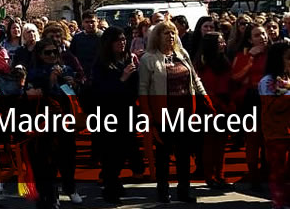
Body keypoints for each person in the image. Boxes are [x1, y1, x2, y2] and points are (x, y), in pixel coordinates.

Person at [138, 21, 210, 203]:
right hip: (163, 115)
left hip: (186, 114)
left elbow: (194, 78)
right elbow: (143, 90)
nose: (170, 36)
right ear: (157, 36)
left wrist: (205, 97)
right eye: (166, 33)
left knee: (184, 155)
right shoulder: (148, 58)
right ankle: (163, 191)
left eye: (173, 33)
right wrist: (149, 117)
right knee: (163, 155)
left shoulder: (182, 53)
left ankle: (184, 190)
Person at [26, 38, 83, 204]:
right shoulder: (35, 72)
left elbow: (75, 92)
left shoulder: (66, 69)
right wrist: (50, 80)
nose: (52, 55)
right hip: (44, 119)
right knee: (47, 159)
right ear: (39, 54)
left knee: (68, 155)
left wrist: (74, 84)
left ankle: (70, 187)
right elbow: (33, 94)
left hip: (65, 118)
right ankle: (51, 194)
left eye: (54, 52)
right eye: (47, 52)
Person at [91, 27, 143, 203]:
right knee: (111, 153)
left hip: (128, 111)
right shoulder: (101, 64)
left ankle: (113, 180)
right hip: (108, 113)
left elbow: (136, 85)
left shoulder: (128, 58)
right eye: (117, 40)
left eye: (123, 39)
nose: (122, 43)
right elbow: (101, 90)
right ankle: (110, 188)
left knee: (124, 150)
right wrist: (123, 77)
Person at [232, 23, 270, 190]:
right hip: (252, 100)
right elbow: (236, 77)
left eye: (263, 34)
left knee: (270, 140)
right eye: (257, 35)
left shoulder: (274, 53)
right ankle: (254, 176)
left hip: (272, 100)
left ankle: (268, 173)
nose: (262, 37)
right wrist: (250, 59)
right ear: (249, 39)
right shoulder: (243, 55)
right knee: (253, 139)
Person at [196, 32, 234, 190]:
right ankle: (209, 177)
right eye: (220, 42)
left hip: (224, 105)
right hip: (210, 108)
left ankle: (220, 174)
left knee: (221, 144)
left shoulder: (224, 61)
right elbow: (208, 89)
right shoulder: (203, 64)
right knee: (210, 144)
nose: (224, 44)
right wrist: (220, 106)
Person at [259, 41, 290, 209]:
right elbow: (274, 107)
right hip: (276, 133)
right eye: (288, 58)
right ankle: (279, 202)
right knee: (279, 171)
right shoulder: (268, 81)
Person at [69, 11, 102, 85]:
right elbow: (72, 56)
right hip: (81, 75)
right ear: (83, 23)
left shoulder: (104, 37)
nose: (90, 24)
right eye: (87, 22)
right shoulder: (77, 38)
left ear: (97, 21)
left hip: (99, 75)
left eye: (92, 21)